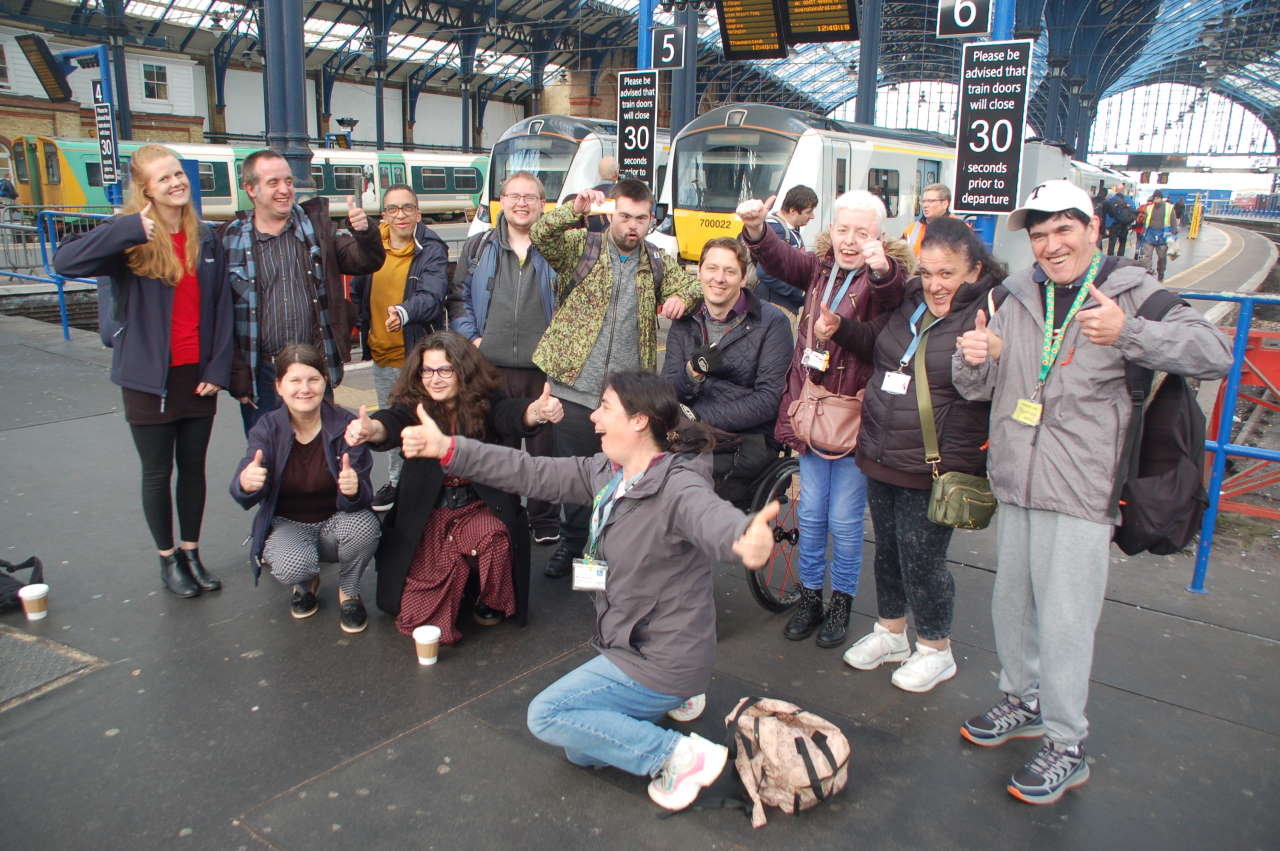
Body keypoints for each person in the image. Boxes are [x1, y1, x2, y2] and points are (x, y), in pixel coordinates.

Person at [953, 179, 1232, 804]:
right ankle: (1020, 701)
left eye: (1064, 230)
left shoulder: (1134, 290)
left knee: (1067, 620)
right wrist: (975, 357)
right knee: (1013, 604)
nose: (1052, 246)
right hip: (1019, 479)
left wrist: (1130, 332)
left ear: (1093, 230)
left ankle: (1066, 741)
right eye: (1040, 234)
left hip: (1082, 487)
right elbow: (977, 387)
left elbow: (1214, 352)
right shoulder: (1014, 293)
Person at [396, 370, 779, 811]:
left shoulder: (678, 485)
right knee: (581, 750)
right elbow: (527, 471)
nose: (593, 417)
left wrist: (743, 536)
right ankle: (665, 709)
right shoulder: (607, 473)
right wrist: (448, 448)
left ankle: (680, 756)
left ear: (639, 421)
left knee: (548, 716)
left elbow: (711, 517)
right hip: (630, 644)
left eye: (605, 408)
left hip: (663, 657)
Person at [812, 217, 1006, 693]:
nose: (936, 284)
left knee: (924, 560)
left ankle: (937, 649)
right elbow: (878, 344)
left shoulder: (989, 315)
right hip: (882, 450)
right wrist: (839, 329)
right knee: (889, 554)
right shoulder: (911, 300)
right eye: (929, 272)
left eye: (948, 273)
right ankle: (891, 632)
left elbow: (985, 387)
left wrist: (989, 353)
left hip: (934, 461)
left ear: (975, 270)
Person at [53, 144, 233, 598]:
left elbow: (221, 307)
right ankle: (168, 559)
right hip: (147, 377)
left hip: (197, 375)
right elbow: (64, 261)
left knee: (193, 469)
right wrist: (126, 228)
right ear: (145, 190)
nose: (175, 183)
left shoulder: (206, 238)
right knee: (157, 472)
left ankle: (192, 551)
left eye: (178, 174)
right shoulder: (128, 238)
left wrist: (217, 367)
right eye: (163, 179)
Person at [738, 190, 907, 649]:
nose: (850, 240)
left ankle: (841, 604)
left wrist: (881, 269)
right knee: (811, 515)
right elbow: (779, 260)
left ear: (879, 236)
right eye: (842, 229)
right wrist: (756, 229)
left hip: (854, 419)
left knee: (846, 520)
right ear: (830, 230)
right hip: (811, 412)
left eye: (862, 231)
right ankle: (811, 596)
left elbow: (891, 298)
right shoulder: (819, 267)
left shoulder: (882, 276)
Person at [530, 178, 702, 579]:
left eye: (641, 219)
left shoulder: (657, 261)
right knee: (574, 474)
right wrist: (574, 209)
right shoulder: (583, 247)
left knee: (617, 476)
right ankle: (571, 546)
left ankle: (604, 551)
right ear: (613, 213)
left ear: (650, 220)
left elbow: (693, 285)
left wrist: (682, 297)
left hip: (624, 398)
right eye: (624, 216)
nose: (632, 227)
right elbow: (541, 234)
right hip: (574, 387)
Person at [343, 332, 563, 641]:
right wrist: (372, 429)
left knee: (494, 536)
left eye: (445, 370)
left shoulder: (485, 402)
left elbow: (509, 414)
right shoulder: (415, 405)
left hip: (477, 506)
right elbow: (391, 423)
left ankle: (490, 600)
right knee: (414, 614)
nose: (435, 379)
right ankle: (463, 587)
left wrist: (535, 412)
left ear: (463, 371)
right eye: (428, 370)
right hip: (430, 514)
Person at [220, 149, 385, 434]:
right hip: (264, 373)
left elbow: (366, 260)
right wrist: (238, 375)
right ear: (251, 189)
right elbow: (223, 315)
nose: (285, 190)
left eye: (289, 181)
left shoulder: (317, 230)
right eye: (273, 183)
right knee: (268, 459)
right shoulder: (229, 239)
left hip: (313, 367)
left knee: (322, 458)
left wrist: (365, 231)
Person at [231, 344, 381, 633]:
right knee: (292, 565)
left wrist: (352, 490)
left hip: (338, 520)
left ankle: (349, 591)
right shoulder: (267, 428)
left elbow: (362, 496)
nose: (305, 389)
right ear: (279, 386)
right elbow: (245, 478)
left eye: (313, 379)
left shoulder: (346, 424)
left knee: (365, 527)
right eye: (295, 381)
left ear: (324, 381)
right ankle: (304, 583)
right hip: (289, 523)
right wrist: (245, 482)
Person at [448, 171, 561, 544]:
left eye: (530, 196)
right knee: (500, 446)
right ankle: (506, 512)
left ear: (543, 205)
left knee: (545, 450)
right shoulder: (479, 247)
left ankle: (544, 518)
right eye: (514, 195)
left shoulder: (558, 249)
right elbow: (459, 297)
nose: (522, 203)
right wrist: (473, 339)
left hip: (542, 368)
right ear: (501, 201)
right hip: (490, 368)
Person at [662, 237, 793, 508]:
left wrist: (700, 418)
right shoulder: (685, 322)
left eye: (729, 271)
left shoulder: (771, 323)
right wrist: (691, 374)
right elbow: (668, 389)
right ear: (699, 272)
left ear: (743, 278)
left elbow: (769, 399)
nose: (719, 278)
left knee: (685, 480)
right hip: (689, 435)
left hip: (744, 438)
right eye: (712, 268)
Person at [348, 184, 449, 511]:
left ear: (418, 213)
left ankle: (432, 488)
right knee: (393, 424)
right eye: (393, 209)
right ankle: (396, 482)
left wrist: (403, 312)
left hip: (418, 357)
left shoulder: (431, 248)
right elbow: (358, 290)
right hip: (383, 355)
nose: (401, 215)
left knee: (428, 422)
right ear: (384, 214)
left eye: (407, 208)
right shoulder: (372, 245)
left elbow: (433, 297)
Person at [756, 185, 818, 313]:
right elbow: (764, 272)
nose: (812, 216)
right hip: (777, 306)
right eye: (808, 212)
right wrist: (798, 292)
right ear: (793, 210)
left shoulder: (790, 229)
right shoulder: (777, 231)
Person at [901, 183, 956, 259]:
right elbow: (900, 259)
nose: (925, 205)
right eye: (923, 201)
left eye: (930, 201)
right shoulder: (911, 230)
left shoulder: (960, 229)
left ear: (945, 204)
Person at [1140, 190, 1178, 282]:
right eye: (1154, 198)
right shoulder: (1149, 208)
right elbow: (1145, 221)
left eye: (1157, 198)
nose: (1155, 200)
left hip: (1163, 235)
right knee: (1147, 256)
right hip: (1150, 234)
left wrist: (1174, 235)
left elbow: (1173, 222)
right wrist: (1143, 232)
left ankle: (1161, 273)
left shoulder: (1169, 208)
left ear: (1161, 198)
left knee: (1162, 257)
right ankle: (1148, 274)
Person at [585, 156, 620, 233]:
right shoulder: (621, 194)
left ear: (599, 173)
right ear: (616, 173)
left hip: (591, 241)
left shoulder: (588, 195)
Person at [1103, 186, 1136, 258]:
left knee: (1111, 244)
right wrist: (1129, 223)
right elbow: (1134, 212)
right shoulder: (1130, 201)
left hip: (1114, 225)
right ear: (1124, 191)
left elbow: (1106, 214)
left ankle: (1110, 258)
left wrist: (1107, 226)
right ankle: (1120, 258)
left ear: (1116, 191)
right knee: (1122, 243)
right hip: (1124, 225)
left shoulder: (1110, 200)